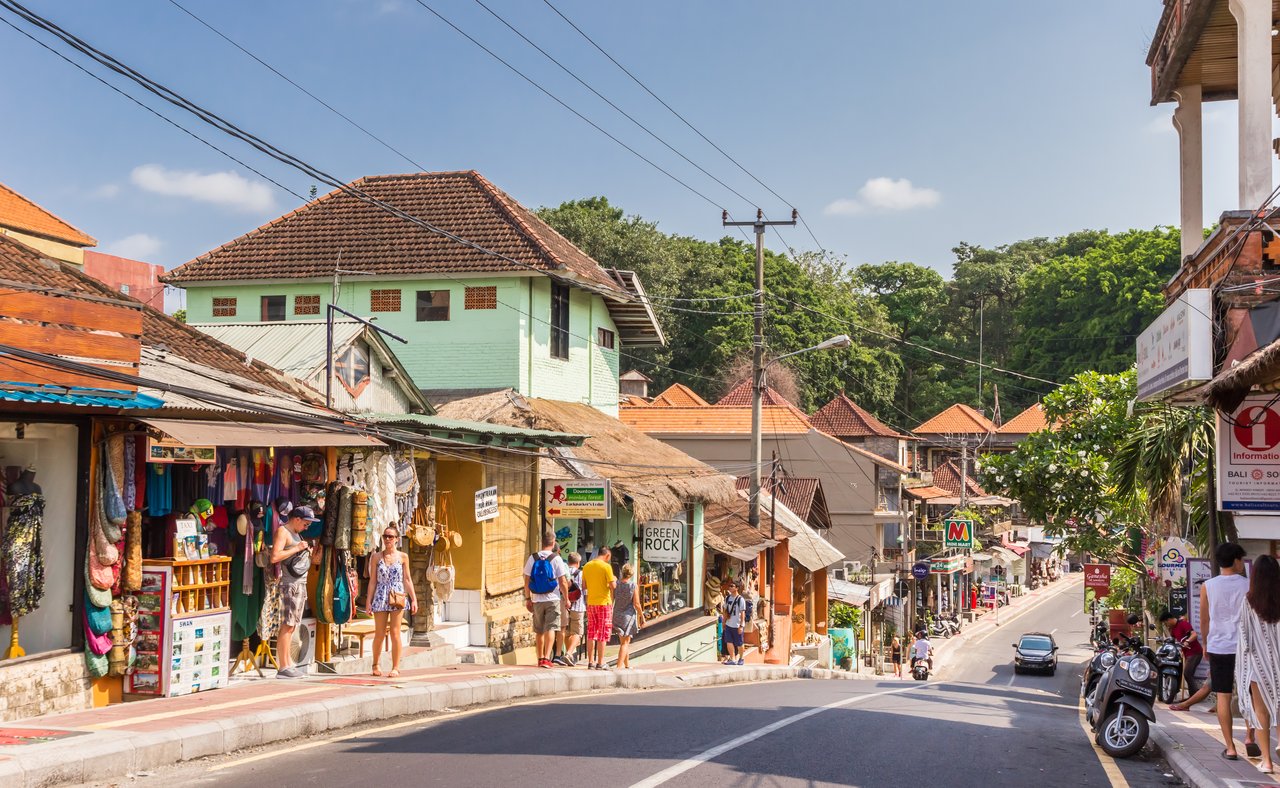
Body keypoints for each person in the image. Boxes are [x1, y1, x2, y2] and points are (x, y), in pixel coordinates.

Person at [1170, 542, 1258, 760]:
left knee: (1223, 696)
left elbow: (1205, 619)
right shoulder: (1248, 586)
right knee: (1250, 694)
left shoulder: (1208, 586)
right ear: (1237, 560)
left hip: (1219, 647)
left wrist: (1207, 644)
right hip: (1245, 647)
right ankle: (1249, 736)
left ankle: (1230, 747)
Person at [1239, 554, 1280, 773]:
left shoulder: (1249, 601)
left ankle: (1267, 761)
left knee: (1261, 712)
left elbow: (1244, 636)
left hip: (1258, 665)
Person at [269, 503, 319, 679]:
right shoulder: (283, 532)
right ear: (297, 519)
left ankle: (288, 663)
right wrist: (297, 548)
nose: (308, 526)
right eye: (306, 523)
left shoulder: (297, 533)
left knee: (292, 625)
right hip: (290, 584)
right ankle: (283, 667)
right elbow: (275, 556)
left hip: (299, 583)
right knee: (288, 624)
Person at [365, 524, 417, 677]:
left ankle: (395, 666)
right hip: (381, 594)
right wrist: (369, 601)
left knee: (395, 632)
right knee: (379, 633)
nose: (387, 539)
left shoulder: (403, 557)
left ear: (397, 539)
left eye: (391, 536)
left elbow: (407, 579)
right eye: (385, 536)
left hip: (397, 595)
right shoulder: (376, 557)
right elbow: (373, 581)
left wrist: (414, 599)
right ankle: (375, 664)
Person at [523, 532, 570, 669]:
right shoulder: (556, 559)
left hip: (537, 599)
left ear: (542, 541)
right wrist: (566, 599)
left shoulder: (533, 557)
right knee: (551, 628)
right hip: (553, 598)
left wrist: (528, 598)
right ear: (553, 542)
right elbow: (563, 581)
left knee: (539, 630)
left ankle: (540, 658)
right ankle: (547, 658)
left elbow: (526, 580)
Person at [581, 546, 616, 670]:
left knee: (591, 632)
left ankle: (590, 662)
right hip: (603, 603)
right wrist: (612, 581)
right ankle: (600, 662)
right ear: (607, 555)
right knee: (603, 633)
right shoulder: (606, 567)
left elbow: (584, 586)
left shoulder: (586, 566)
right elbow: (613, 586)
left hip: (591, 603)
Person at [1160, 609, 1203, 701]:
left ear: (1169, 619)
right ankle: (1192, 696)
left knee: (1187, 673)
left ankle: (1194, 696)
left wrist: (1187, 641)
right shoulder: (1173, 629)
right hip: (1186, 654)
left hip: (1195, 652)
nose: (1166, 625)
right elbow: (1174, 640)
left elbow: (1194, 635)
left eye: (1166, 622)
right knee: (1186, 673)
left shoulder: (1183, 624)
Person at [555, 552, 586, 667]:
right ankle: (568, 654)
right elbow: (585, 591)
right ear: (578, 562)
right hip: (578, 607)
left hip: (565, 605)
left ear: (568, 562)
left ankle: (570, 657)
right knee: (577, 632)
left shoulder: (563, 571)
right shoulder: (581, 574)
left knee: (567, 633)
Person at [612, 563, 643, 668]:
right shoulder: (633, 585)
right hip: (627, 616)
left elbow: (612, 600)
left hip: (616, 614)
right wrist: (642, 616)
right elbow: (636, 604)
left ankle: (627, 665)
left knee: (624, 641)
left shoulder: (616, 584)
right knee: (625, 643)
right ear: (631, 574)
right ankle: (618, 667)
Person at [719, 579, 749, 665]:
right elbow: (725, 611)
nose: (730, 588)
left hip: (737, 625)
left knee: (739, 643)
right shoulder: (727, 598)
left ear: (737, 588)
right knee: (729, 641)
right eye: (729, 586)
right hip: (729, 624)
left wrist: (741, 625)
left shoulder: (741, 599)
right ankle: (732, 659)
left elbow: (742, 613)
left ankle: (741, 658)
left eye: (732, 586)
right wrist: (724, 622)